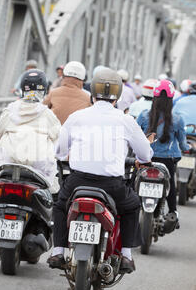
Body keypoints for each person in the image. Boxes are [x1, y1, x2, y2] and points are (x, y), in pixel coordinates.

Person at [47, 68, 154, 274]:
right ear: (119, 94)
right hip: (111, 185)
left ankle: (58, 251)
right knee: (131, 207)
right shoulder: (126, 120)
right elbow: (145, 154)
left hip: (77, 181)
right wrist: (142, 160)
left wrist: (66, 155)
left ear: (93, 92)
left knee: (60, 205)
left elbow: (60, 151)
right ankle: (126, 256)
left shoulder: (77, 116)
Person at [0, 69, 61, 193]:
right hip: (38, 166)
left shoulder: (10, 110)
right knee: (53, 192)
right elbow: (57, 136)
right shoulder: (47, 114)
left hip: (8, 162)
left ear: (23, 89)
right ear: (44, 89)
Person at [136, 80, 191, 232]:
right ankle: (173, 212)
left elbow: (134, 137)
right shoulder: (178, 119)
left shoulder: (143, 116)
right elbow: (182, 143)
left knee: (133, 182)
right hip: (168, 161)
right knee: (170, 185)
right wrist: (187, 148)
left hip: (146, 160)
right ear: (171, 99)